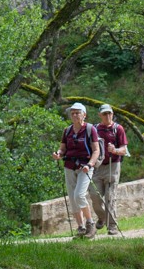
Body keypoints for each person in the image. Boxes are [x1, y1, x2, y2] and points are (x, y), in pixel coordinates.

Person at [52, 102, 101, 238]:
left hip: (85, 167)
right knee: (73, 199)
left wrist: (90, 165)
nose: (74, 115)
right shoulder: (67, 130)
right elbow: (62, 148)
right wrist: (58, 154)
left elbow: (96, 150)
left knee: (79, 195)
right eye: (72, 113)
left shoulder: (90, 129)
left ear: (84, 115)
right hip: (69, 166)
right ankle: (81, 227)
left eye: (77, 112)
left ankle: (90, 224)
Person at [91, 103, 128, 235]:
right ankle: (101, 217)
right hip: (98, 166)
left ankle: (112, 226)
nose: (108, 116)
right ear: (100, 115)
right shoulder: (94, 129)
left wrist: (115, 150)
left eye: (110, 113)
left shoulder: (118, 129)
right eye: (105, 114)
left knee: (110, 197)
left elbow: (124, 150)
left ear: (112, 114)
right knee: (95, 196)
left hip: (113, 165)